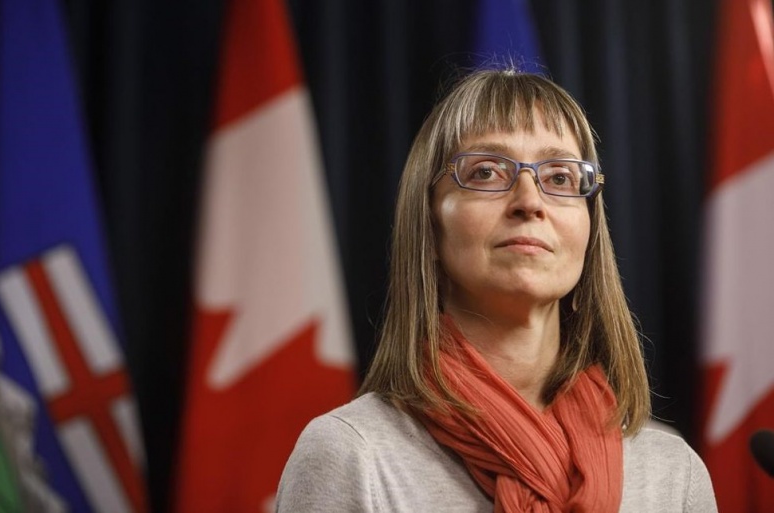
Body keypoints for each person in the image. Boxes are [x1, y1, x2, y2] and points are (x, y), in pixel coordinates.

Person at [275, 69, 717, 512]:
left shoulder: (672, 472)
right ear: (429, 223)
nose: (530, 202)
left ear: (589, 229)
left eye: (560, 177)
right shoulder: (352, 456)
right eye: (486, 172)